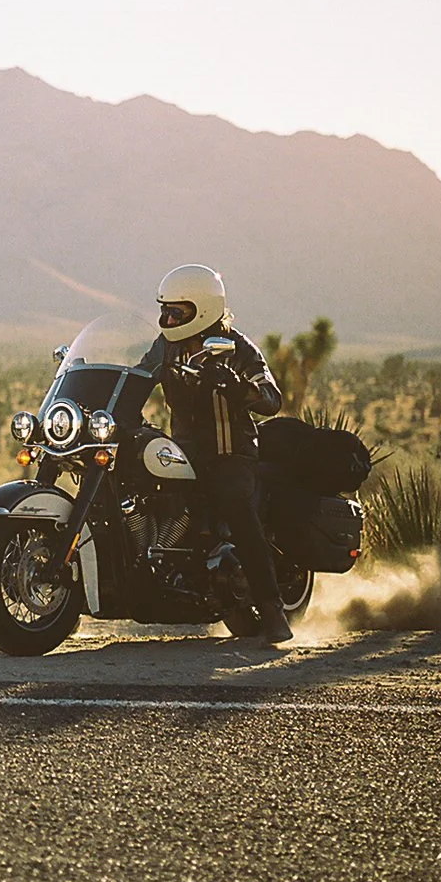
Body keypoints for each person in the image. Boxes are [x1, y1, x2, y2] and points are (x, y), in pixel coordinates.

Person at [135, 264, 293, 643]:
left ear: (203, 309)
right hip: (183, 452)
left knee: (233, 503)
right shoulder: (166, 345)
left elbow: (272, 399)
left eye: (177, 311)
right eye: (165, 310)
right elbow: (140, 376)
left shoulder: (237, 348)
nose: (167, 318)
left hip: (231, 454)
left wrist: (237, 386)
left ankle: (272, 609)